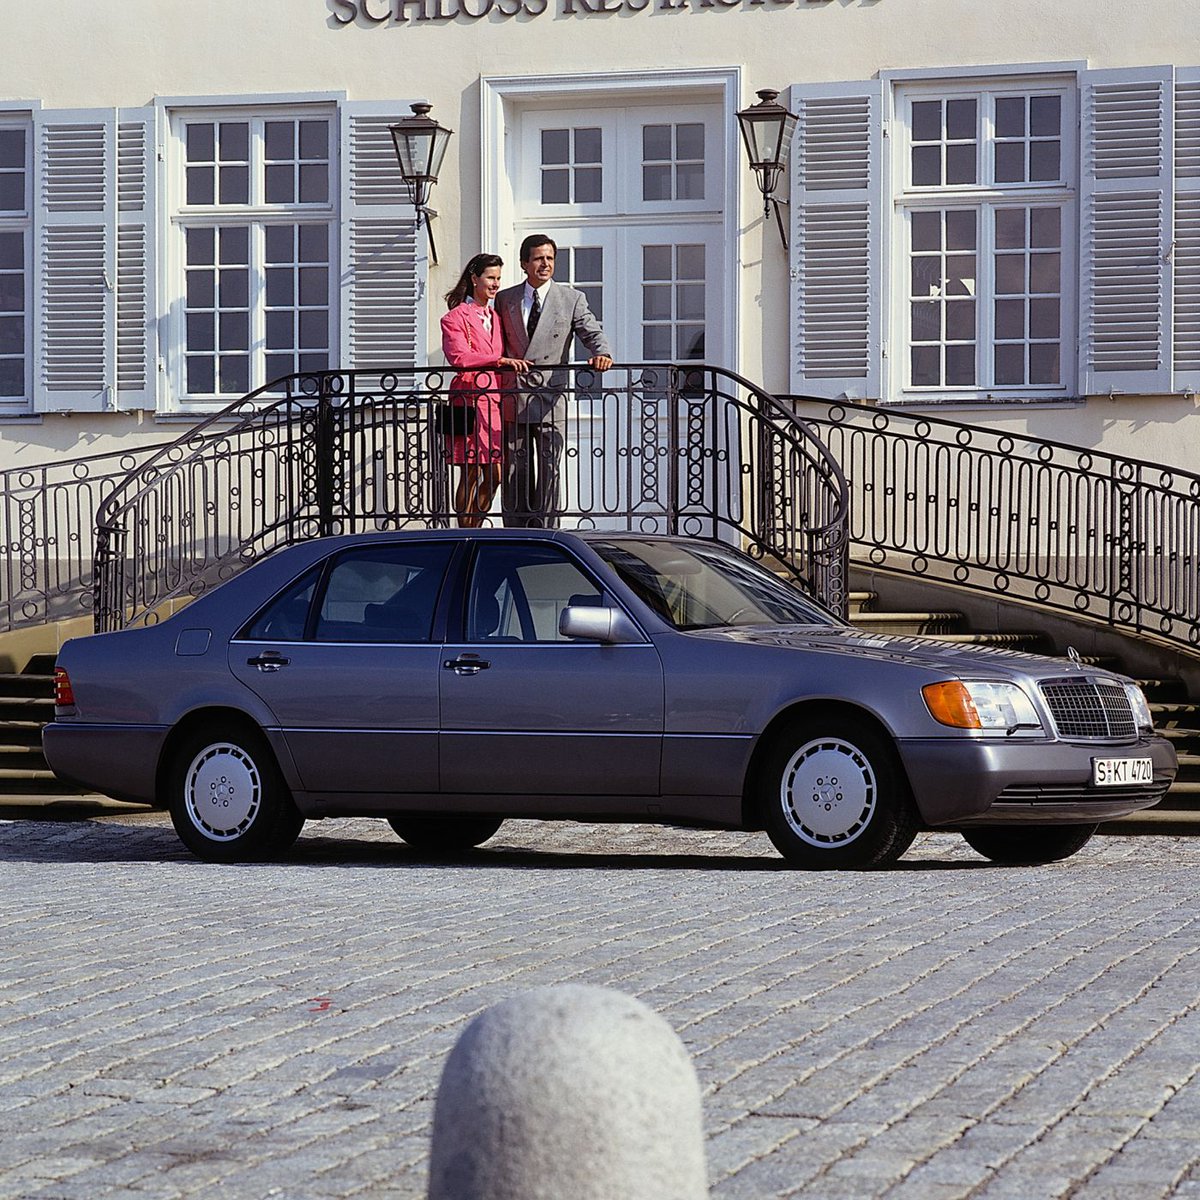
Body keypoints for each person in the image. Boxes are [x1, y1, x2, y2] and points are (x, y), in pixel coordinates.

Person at [495, 234, 612, 528]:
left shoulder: (571, 298)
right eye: (538, 258)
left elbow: (591, 331)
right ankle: (515, 532)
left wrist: (602, 353)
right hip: (515, 395)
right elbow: (492, 339)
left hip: (550, 394)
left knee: (550, 466)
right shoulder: (505, 298)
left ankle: (546, 531)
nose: (545, 264)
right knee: (514, 469)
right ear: (524, 263)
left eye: (549, 258)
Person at [440, 253, 530, 527]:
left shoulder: (496, 316)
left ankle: (474, 526)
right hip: (466, 399)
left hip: (494, 402)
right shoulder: (454, 317)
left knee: (494, 474)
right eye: (490, 277)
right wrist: (498, 361)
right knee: (469, 470)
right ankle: (463, 532)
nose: (495, 284)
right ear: (474, 278)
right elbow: (460, 358)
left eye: (499, 278)